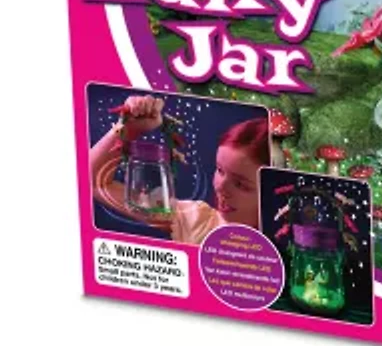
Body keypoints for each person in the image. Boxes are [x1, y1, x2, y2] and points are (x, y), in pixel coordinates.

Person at [90, 95, 280, 245]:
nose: (220, 187)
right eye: (220, 171)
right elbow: (94, 183)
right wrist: (129, 129)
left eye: (240, 184)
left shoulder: (290, 242)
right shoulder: (197, 219)